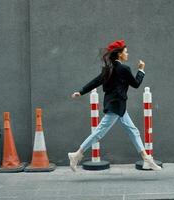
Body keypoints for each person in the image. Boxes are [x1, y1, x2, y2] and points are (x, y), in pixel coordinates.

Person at [68, 40, 162, 171]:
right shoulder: (124, 69)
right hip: (116, 106)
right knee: (99, 132)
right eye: (126, 51)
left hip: (117, 105)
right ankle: (77, 154)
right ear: (119, 54)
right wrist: (141, 70)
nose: (127, 54)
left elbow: (96, 81)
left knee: (133, 131)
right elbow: (136, 84)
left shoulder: (109, 68)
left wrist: (81, 91)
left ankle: (146, 158)